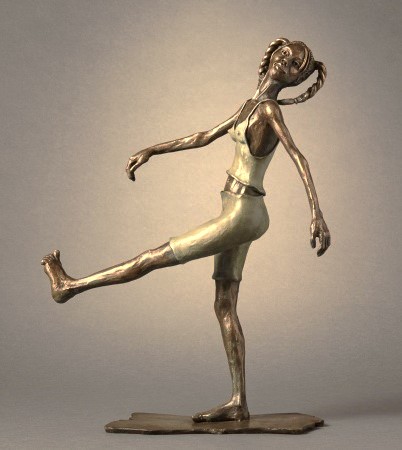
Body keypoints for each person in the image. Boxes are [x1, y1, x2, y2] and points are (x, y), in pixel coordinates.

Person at [41, 37, 331, 423]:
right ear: (273, 53)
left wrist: (316, 213)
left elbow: (299, 156)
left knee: (151, 258)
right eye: (286, 55)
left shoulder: (268, 110)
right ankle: (239, 402)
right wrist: (153, 150)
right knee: (224, 304)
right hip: (241, 210)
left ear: (296, 80)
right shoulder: (251, 105)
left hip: (241, 215)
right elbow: (203, 136)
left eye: (296, 66)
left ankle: (69, 287)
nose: (287, 63)